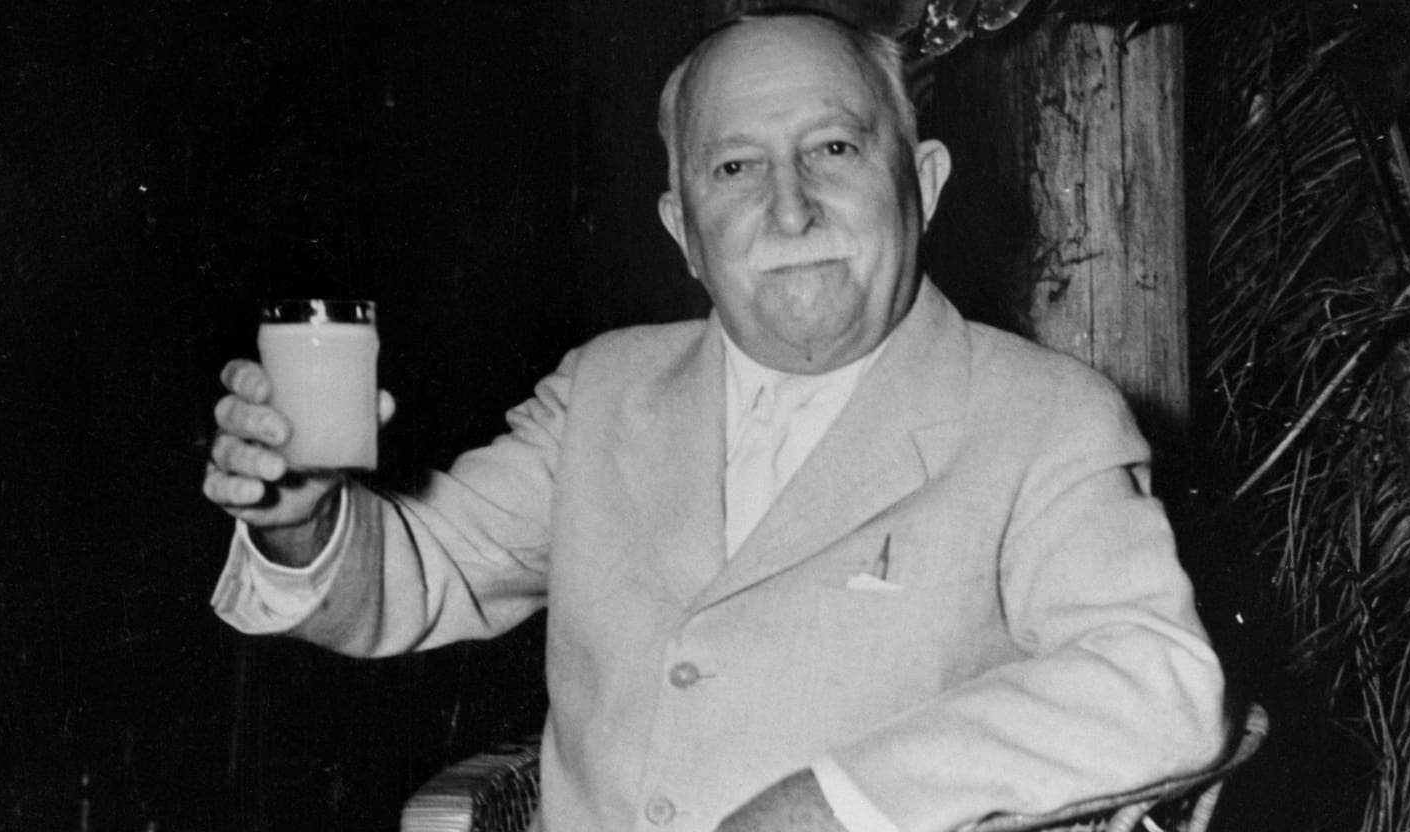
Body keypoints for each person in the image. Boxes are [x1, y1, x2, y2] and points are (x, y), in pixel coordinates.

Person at [203, 9, 1228, 832]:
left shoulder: (1043, 416)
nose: (790, 209)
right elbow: (424, 572)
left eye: (833, 148)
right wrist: (303, 519)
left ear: (920, 186)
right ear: (683, 231)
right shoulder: (605, 389)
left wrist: (833, 805)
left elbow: (1157, 681)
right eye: (735, 167)